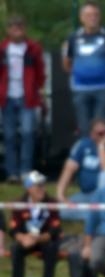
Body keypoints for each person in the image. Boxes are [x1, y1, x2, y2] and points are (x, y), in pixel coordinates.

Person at [63, 0, 105, 137]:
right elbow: (67, 61)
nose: (92, 18)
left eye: (95, 15)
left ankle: (100, 156)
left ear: (100, 17)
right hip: (81, 89)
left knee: (101, 127)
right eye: (89, 15)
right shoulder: (73, 37)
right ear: (81, 17)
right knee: (84, 127)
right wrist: (81, 73)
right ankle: (86, 155)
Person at [0, 15, 45, 183]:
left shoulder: (33, 48)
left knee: (28, 134)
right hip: (7, 97)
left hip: (27, 97)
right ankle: (11, 172)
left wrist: (38, 90)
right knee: (9, 135)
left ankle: (25, 170)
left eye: (20, 27)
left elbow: (40, 71)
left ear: (24, 29)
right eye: (13, 27)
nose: (17, 30)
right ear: (8, 30)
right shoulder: (3, 49)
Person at [56, 118, 105, 220]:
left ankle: (98, 213)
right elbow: (68, 169)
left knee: (104, 175)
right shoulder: (82, 144)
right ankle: (96, 215)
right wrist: (61, 196)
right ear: (92, 134)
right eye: (101, 133)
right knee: (60, 211)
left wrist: (102, 146)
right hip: (86, 194)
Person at [8, 171, 62, 277]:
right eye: (38, 186)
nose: (42, 189)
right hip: (26, 240)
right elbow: (13, 228)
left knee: (52, 248)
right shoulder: (20, 204)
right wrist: (23, 238)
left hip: (45, 240)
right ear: (29, 188)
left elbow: (55, 228)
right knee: (15, 248)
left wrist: (36, 238)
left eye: (43, 185)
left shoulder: (52, 203)